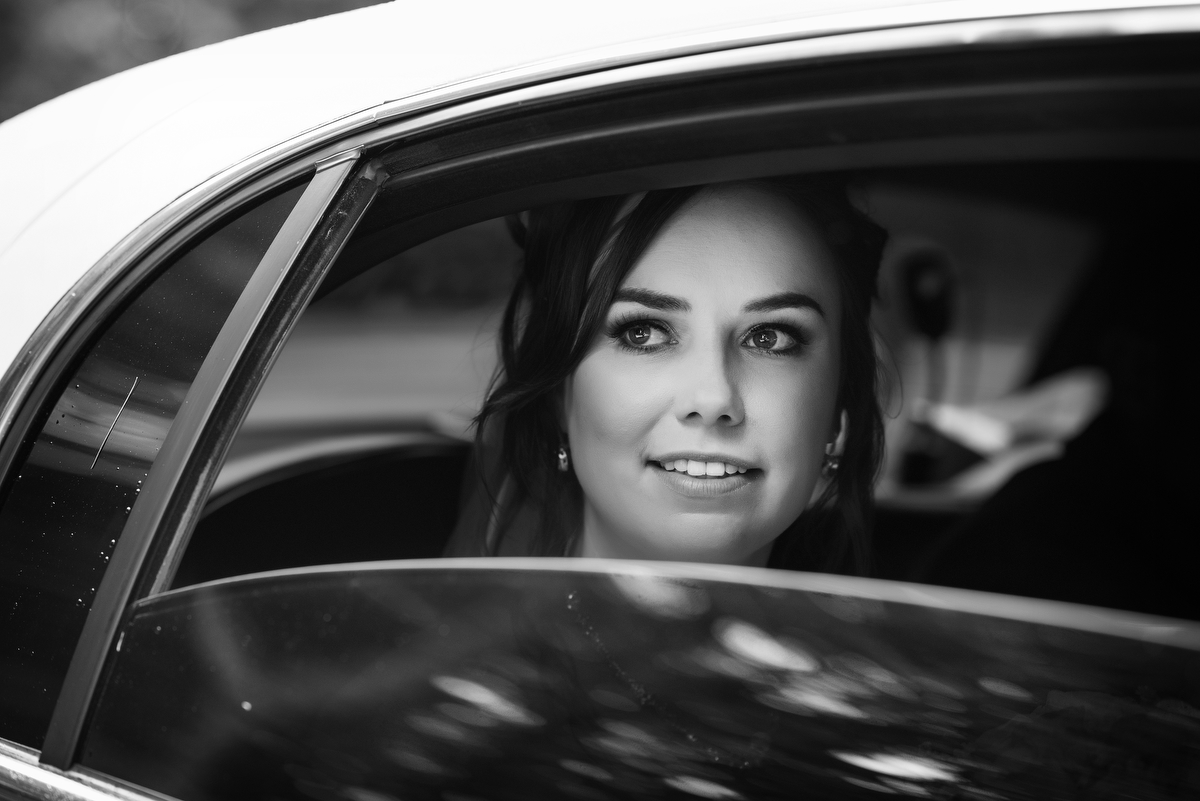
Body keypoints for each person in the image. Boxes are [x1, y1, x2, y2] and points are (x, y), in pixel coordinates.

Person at [446, 177, 886, 574]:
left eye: (769, 338)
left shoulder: (883, 663)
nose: (713, 398)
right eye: (643, 333)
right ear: (559, 395)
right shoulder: (445, 661)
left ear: (836, 413)